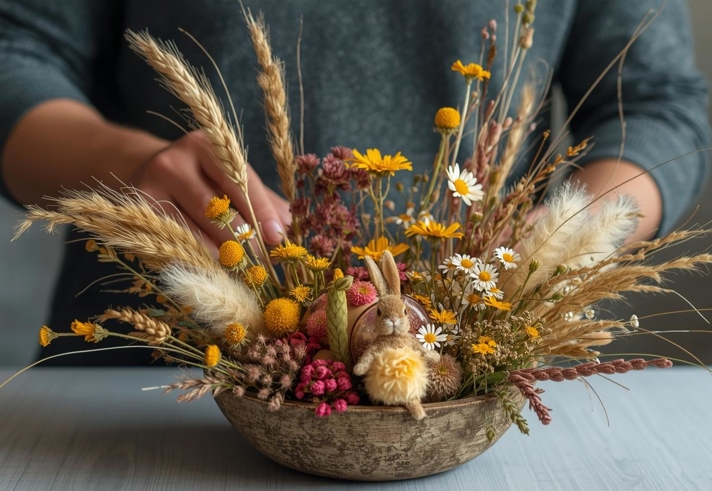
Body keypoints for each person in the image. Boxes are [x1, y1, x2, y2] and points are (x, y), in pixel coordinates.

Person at [0, 1, 708, 365]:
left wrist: (558, 242)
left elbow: (659, 102)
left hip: (477, 398)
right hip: (142, 393)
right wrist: (131, 169)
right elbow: (17, 54)